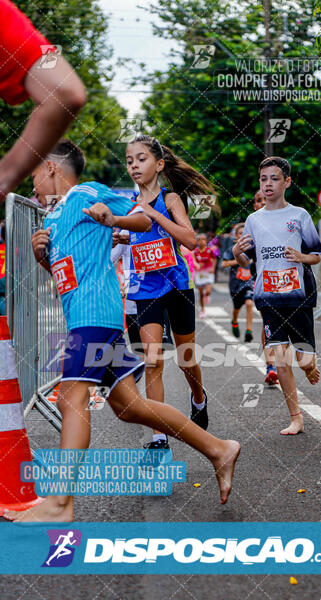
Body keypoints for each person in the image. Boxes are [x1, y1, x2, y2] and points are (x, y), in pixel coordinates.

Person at [4, 140, 240, 522]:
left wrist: (110, 219)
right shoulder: (52, 218)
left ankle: (61, 505)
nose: (31, 184)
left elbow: (143, 220)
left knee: (70, 401)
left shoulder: (88, 192)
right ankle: (219, 449)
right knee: (130, 408)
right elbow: (67, 278)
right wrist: (40, 256)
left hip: (95, 316)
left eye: (33, 173)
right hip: (88, 315)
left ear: (51, 167)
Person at [120, 134, 216, 450]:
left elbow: (189, 240)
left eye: (142, 158)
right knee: (152, 360)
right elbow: (136, 236)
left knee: (186, 358)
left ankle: (199, 397)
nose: (134, 165)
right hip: (145, 288)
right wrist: (123, 237)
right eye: (130, 159)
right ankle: (159, 434)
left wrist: (154, 213)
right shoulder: (126, 204)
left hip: (176, 285)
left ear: (159, 164)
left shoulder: (171, 199)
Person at [233, 156, 321, 435]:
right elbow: (247, 262)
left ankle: (309, 364)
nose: (268, 184)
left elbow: (317, 256)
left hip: (298, 295)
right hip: (269, 296)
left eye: (274, 178)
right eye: (263, 179)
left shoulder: (299, 216)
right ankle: (296, 418)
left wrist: (301, 257)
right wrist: (238, 255)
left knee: (304, 360)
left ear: (287, 182)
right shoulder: (253, 220)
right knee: (280, 360)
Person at [0, 0, 86, 202]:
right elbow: (64, 91)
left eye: (33, 178)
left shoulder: (91, 198)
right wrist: (5, 178)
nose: (32, 190)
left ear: (51, 168)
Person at [251, 192, 279, 386]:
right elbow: (244, 255)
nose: (262, 203)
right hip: (262, 279)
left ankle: (282, 362)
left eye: (264, 199)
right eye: (258, 200)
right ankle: (271, 366)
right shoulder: (252, 224)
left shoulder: (284, 220)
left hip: (286, 279)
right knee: (267, 320)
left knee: (284, 322)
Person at [221, 223, 254, 342]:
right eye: (240, 233)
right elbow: (224, 264)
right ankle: (234, 321)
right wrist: (240, 260)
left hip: (248, 282)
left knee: (249, 303)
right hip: (235, 284)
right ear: (235, 236)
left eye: (244, 233)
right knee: (237, 308)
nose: (242, 236)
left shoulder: (252, 249)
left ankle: (248, 331)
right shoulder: (231, 250)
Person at [193, 233, 217, 318]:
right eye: (199, 240)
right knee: (200, 294)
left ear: (206, 241)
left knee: (208, 291)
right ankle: (202, 310)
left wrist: (213, 268)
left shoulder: (209, 250)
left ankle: (207, 295)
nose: (201, 241)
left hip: (208, 273)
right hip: (199, 274)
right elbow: (193, 260)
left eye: (203, 239)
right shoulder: (195, 251)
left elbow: (214, 259)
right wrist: (196, 265)